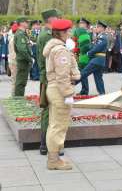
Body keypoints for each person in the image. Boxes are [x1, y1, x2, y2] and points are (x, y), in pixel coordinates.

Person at [43, 18, 80, 170]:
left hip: (54, 88)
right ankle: (54, 160)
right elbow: (63, 75)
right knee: (58, 125)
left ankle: (54, 158)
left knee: (54, 124)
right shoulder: (60, 50)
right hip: (59, 90)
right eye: (68, 31)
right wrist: (68, 94)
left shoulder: (55, 47)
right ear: (62, 33)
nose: (70, 33)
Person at [37, 9, 61, 156]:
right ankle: (46, 144)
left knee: (50, 110)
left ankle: (45, 144)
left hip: (46, 76)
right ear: (51, 19)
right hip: (49, 77)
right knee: (49, 111)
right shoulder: (47, 36)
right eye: (57, 18)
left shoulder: (45, 34)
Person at [78, 21, 108, 95]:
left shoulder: (103, 37)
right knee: (98, 78)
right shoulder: (98, 37)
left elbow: (97, 48)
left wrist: (89, 53)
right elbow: (92, 46)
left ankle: (71, 84)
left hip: (97, 59)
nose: (96, 28)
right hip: (97, 60)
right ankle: (102, 93)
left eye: (97, 27)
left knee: (84, 73)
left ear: (102, 28)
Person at [14, 17, 33, 96]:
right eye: (26, 22)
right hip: (23, 61)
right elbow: (22, 50)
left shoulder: (22, 33)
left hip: (23, 60)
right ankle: (19, 100)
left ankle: (19, 99)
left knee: (22, 82)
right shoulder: (20, 34)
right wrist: (30, 59)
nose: (28, 23)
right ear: (21, 23)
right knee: (21, 82)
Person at [7, 22, 19, 95]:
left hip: (12, 61)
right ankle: (15, 97)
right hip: (14, 62)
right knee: (15, 81)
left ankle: (15, 96)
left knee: (14, 81)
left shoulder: (13, 38)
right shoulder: (14, 39)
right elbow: (14, 54)